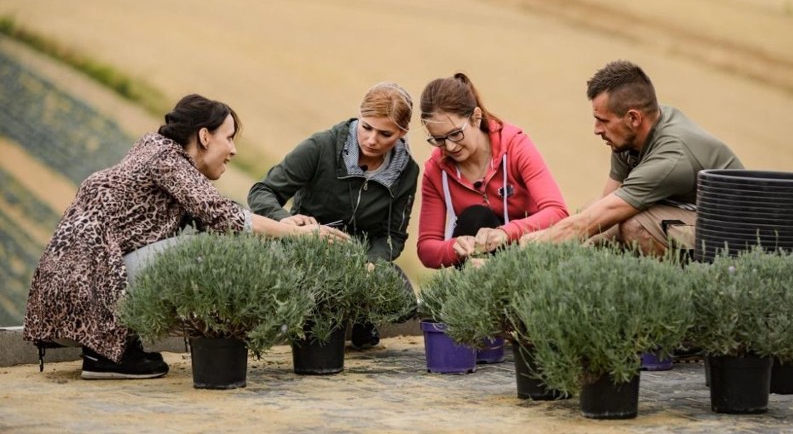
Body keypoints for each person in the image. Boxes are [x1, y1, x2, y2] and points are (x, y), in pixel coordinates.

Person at [23, 94, 346, 380]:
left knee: (205, 245)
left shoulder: (153, 152)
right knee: (198, 251)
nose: (233, 150)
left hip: (70, 295)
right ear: (204, 136)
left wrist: (289, 224)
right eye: (229, 138)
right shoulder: (166, 159)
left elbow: (216, 212)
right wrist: (299, 235)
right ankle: (109, 355)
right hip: (91, 292)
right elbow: (225, 217)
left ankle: (116, 351)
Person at [247, 82, 420, 349]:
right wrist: (285, 220)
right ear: (358, 119)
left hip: (361, 261)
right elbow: (262, 191)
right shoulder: (321, 146)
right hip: (309, 251)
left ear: (402, 132)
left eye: (385, 133)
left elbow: (393, 235)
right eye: (366, 127)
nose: (372, 139)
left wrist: (373, 263)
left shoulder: (407, 171)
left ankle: (364, 317)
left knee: (404, 303)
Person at [521, 60, 743, 255]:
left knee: (634, 226)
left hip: (734, 237)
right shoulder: (629, 136)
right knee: (599, 231)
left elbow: (600, 217)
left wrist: (538, 244)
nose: (596, 129)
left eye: (603, 120)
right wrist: (551, 235)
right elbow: (604, 203)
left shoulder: (670, 158)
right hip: (689, 221)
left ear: (633, 118)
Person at [417, 73, 569, 269]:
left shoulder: (516, 146)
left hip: (529, 257)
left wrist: (506, 233)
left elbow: (558, 212)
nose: (450, 147)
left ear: (476, 117)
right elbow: (426, 247)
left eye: (455, 134)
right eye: (438, 139)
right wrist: (455, 247)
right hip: (476, 266)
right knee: (474, 217)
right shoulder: (435, 169)